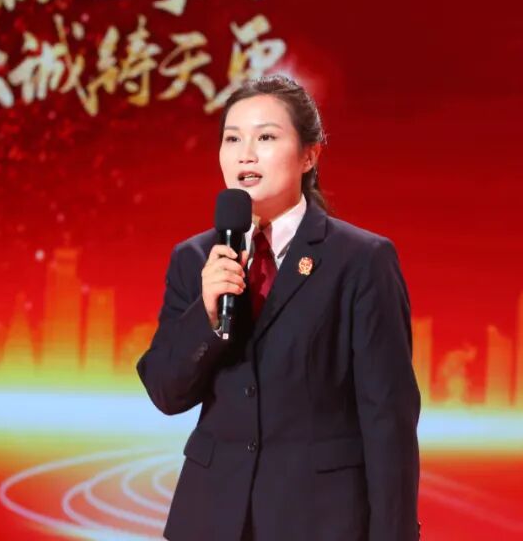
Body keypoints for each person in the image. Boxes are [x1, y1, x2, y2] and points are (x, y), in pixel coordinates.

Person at [136, 75, 421, 541]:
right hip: (210, 519)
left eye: (266, 137)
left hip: (319, 521)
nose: (245, 154)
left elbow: (388, 418)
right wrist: (206, 314)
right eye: (232, 139)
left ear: (310, 155)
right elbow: (166, 393)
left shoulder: (360, 260)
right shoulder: (195, 259)